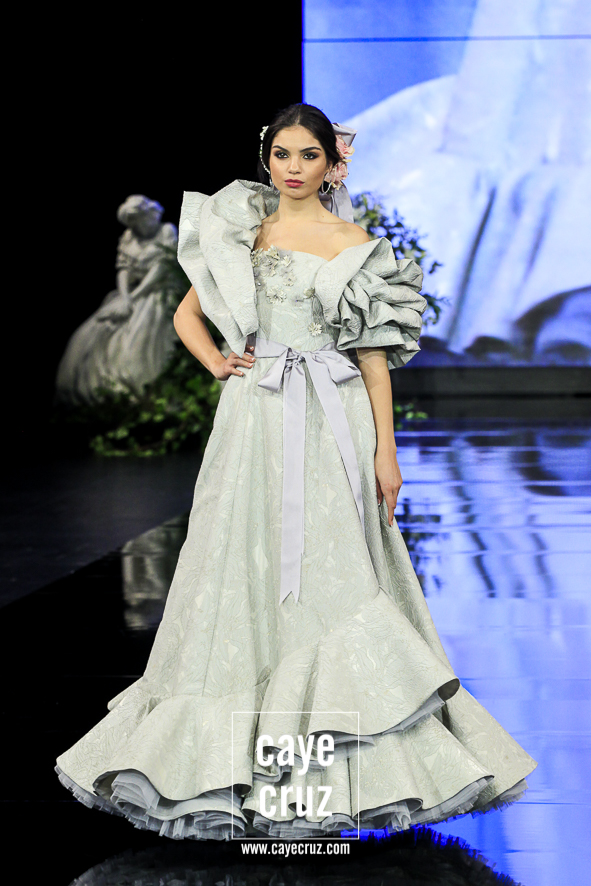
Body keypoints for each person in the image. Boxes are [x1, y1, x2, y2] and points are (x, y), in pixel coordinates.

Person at [54, 102, 537, 840]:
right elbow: (187, 314)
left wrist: (385, 451)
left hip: (330, 418)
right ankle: (224, 761)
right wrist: (220, 363)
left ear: (331, 165)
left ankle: (334, 769)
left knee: (335, 573)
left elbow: (372, 357)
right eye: (281, 154)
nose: (292, 168)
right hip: (253, 418)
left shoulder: (355, 244)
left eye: (308, 155)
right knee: (237, 565)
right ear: (267, 159)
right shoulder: (243, 232)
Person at [54, 195, 178, 406]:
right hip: (130, 294)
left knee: (139, 335)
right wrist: (124, 297)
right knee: (93, 332)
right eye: (135, 223)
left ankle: (141, 393)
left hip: (158, 291)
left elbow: (161, 269)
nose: (140, 226)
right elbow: (124, 269)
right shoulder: (129, 236)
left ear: (151, 215)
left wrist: (133, 298)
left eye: (142, 220)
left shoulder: (166, 231)